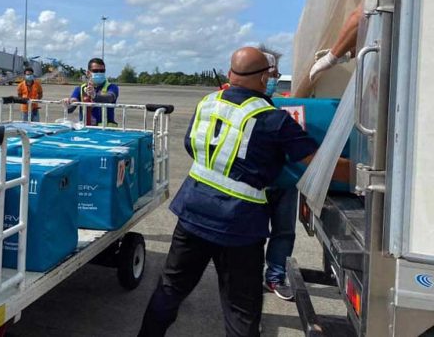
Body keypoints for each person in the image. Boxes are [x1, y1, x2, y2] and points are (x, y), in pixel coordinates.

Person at [138, 46, 350, 337]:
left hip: (192, 214)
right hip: (239, 227)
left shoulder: (207, 103)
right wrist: (367, 171)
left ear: (229, 74)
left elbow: (191, 145)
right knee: (241, 310)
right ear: (264, 79)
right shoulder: (273, 119)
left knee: (170, 289)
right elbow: (320, 163)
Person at [260, 48, 296, 301]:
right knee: (252, 234)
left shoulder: (287, 102)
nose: (274, 79)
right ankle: (249, 278)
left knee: (283, 230)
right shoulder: (236, 101)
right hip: (256, 181)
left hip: (285, 178)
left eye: (278, 74)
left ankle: (275, 276)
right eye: (272, 74)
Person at [65, 57, 119, 126]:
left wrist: (94, 95)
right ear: (88, 73)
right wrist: (69, 103)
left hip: (106, 132)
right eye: (95, 71)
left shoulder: (112, 87)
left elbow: (110, 97)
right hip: (86, 131)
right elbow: (71, 108)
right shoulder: (80, 89)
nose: (99, 73)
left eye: (102, 71)